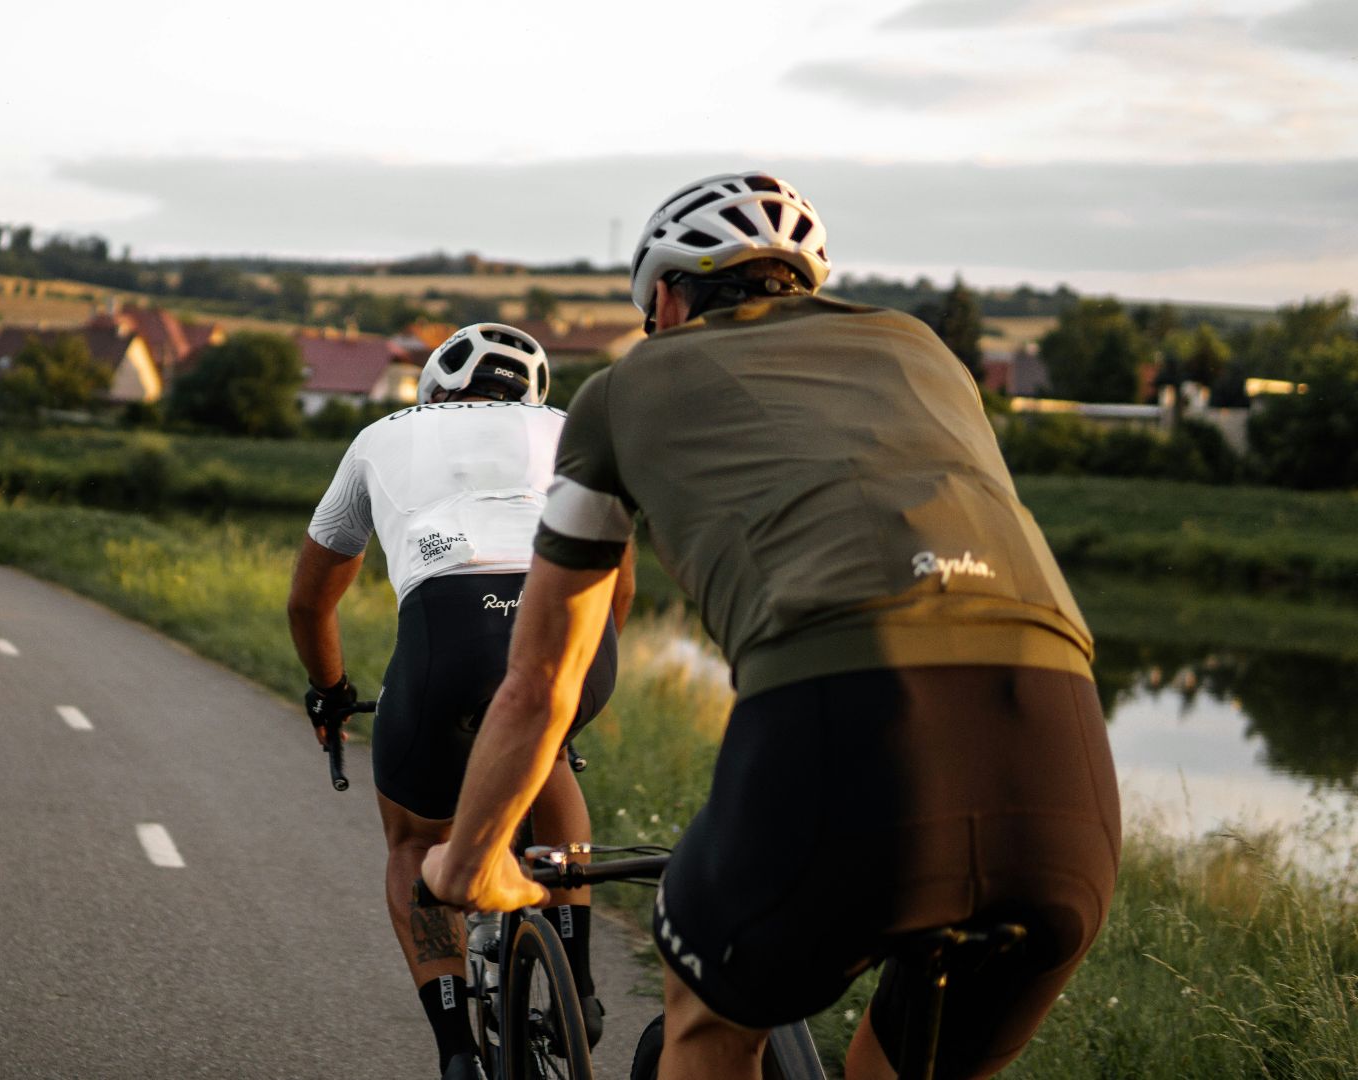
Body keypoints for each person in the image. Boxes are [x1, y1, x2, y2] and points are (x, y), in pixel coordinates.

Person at [421, 173, 1122, 1080]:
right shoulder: (923, 352)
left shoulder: (623, 388)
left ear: (667, 297)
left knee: (708, 1020)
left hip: (844, 730)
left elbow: (541, 683)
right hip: (1064, 768)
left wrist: (470, 859)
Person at [288, 323, 634, 1080]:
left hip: (450, 635)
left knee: (414, 844)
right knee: (542, 750)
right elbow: (619, 583)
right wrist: (572, 693)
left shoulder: (384, 434)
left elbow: (311, 601)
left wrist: (332, 693)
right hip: (577, 630)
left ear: (434, 388)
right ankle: (576, 981)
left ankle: (454, 1052)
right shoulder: (574, 427)